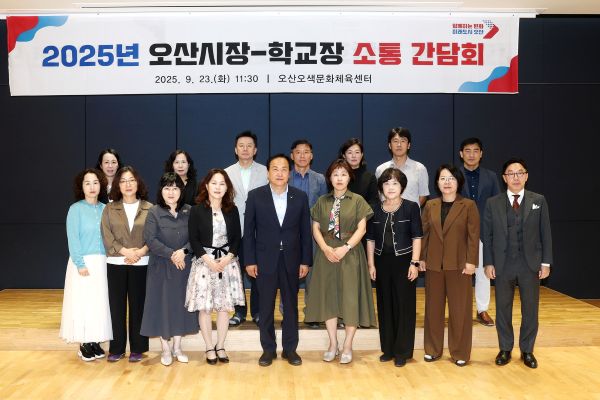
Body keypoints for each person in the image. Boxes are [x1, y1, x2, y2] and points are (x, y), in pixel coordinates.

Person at [304, 159, 376, 365]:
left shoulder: (358, 200)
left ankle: (347, 345)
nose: (339, 178)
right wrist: (325, 248)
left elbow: (362, 229)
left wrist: (345, 248)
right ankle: (333, 343)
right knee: (329, 299)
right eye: (335, 174)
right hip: (326, 254)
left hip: (350, 254)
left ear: (349, 177)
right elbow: (315, 228)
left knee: (350, 299)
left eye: (343, 174)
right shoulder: (322, 201)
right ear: (329, 178)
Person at [483, 158, 552, 369]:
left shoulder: (538, 200)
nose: (515, 177)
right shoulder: (492, 203)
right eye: (511, 173)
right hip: (502, 264)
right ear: (504, 178)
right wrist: (488, 263)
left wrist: (546, 262)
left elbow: (546, 233)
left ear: (526, 176)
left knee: (530, 309)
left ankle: (527, 350)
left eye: (520, 172)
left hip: (530, 264)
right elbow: (488, 236)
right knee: (502, 309)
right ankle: (505, 348)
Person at [244, 154, 312, 367]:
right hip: (264, 259)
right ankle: (268, 350)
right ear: (268, 173)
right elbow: (249, 232)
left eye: (284, 169)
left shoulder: (300, 197)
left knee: (290, 306)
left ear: (289, 173)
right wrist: (249, 260)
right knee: (265, 307)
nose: (280, 173)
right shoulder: (255, 196)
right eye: (275, 169)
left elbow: (305, 231)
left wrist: (305, 261)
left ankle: (290, 349)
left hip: (292, 259)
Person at [420, 164, 479, 366]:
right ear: (437, 182)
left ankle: (460, 352)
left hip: (460, 266)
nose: (447, 182)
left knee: (460, 311)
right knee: (433, 310)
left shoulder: (468, 205)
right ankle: (432, 349)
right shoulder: (430, 205)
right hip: (434, 265)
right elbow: (424, 234)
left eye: (451, 178)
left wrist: (471, 261)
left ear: (458, 182)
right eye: (443, 178)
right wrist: (421, 258)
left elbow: (473, 237)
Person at [186, 169, 245, 365]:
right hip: (204, 264)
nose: (218, 187)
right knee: (205, 308)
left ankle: (220, 345)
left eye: (222, 183)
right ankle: (209, 347)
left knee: (223, 308)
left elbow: (237, 238)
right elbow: (193, 239)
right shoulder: (196, 210)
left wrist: (228, 258)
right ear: (206, 185)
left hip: (227, 263)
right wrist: (208, 260)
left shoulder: (232, 209)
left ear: (227, 187)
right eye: (214, 183)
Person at [140, 173, 198, 367]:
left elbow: (196, 238)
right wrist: (172, 254)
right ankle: (165, 349)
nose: (171, 192)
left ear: (181, 191)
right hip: (161, 268)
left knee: (180, 306)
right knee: (162, 306)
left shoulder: (189, 211)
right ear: (161, 191)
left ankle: (177, 348)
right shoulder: (154, 212)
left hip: (184, 267)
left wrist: (184, 251)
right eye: (167, 188)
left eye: (175, 188)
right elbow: (150, 240)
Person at [366, 168, 422, 367]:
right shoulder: (374, 209)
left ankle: (402, 351)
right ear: (381, 187)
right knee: (385, 305)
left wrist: (415, 263)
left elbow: (417, 237)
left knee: (404, 306)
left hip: (404, 262)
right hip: (381, 262)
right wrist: (371, 264)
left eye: (395, 183)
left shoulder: (411, 207)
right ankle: (388, 349)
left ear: (402, 187)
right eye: (387, 183)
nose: (391, 187)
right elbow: (370, 239)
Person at [60, 168, 112, 361]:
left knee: (99, 303)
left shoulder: (106, 209)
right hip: (82, 263)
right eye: (87, 183)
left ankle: (95, 340)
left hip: (103, 262)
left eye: (95, 182)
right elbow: (73, 239)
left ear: (101, 185)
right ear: (81, 187)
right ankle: (84, 343)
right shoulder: (75, 209)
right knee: (83, 302)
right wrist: (80, 263)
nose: (92, 187)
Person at [101, 166, 152, 362]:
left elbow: (154, 235)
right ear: (117, 185)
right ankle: (116, 348)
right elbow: (107, 236)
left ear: (138, 183)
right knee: (117, 307)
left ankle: (138, 347)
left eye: (131, 180)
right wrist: (125, 252)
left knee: (138, 307)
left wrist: (140, 251)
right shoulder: (109, 208)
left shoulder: (150, 208)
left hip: (141, 262)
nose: (127, 184)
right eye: (123, 181)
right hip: (116, 262)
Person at [225, 131, 268, 327]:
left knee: (259, 273)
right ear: (235, 149)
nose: (245, 149)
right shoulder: (226, 173)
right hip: (234, 230)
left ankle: (258, 311)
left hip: (260, 231)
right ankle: (239, 311)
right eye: (241, 145)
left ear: (255, 150)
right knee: (236, 273)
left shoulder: (266, 172)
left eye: (249, 145)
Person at [458, 138, 500, 327]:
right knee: (460, 272)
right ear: (461, 154)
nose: (471, 154)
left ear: (481, 154)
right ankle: (461, 310)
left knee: (483, 273)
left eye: (476, 151)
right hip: (459, 232)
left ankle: (482, 310)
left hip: (484, 231)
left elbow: (498, 204)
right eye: (467, 151)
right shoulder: (453, 174)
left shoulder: (491, 177)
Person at [289, 139, 327, 328]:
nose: (302, 155)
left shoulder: (320, 179)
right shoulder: (285, 177)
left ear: (311, 155)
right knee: (288, 274)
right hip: (288, 233)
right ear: (292, 155)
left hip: (313, 233)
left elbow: (325, 207)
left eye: (306, 152)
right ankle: (288, 314)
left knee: (313, 275)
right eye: (298, 152)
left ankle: (312, 314)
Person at [375, 127, 429, 206]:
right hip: (387, 213)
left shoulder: (420, 168)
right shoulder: (381, 169)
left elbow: (423, 195)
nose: (399, 145)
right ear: (389, 145)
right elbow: (379, 195)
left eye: (403, 141)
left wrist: (411, 210)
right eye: (395, 141)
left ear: (408, 145)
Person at [339, 138, 378, 205]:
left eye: (357, 152)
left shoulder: (370, 177)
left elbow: (373, 202)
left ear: (362, 155)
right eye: (350, 152)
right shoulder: (338, 176)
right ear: (344, 156)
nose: (354, 156)